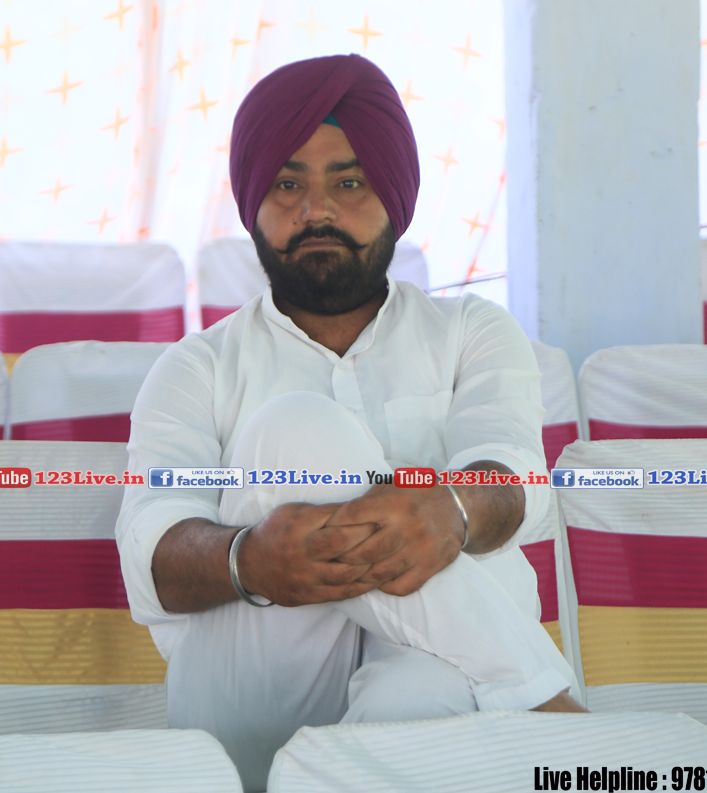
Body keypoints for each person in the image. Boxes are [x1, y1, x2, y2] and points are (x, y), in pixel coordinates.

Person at [115, 53, 583, 792]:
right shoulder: (195, 367)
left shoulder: (472, 332)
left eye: (349, 182)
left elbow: (515, 473)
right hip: (257, 684)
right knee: (297, 433)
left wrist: (450, 512)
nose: (317, 210)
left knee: (420, 690)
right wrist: (248, 558)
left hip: (437, 682)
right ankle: (553, 710)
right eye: (288, 184)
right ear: (254, 203)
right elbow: (152, 546)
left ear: (392, 197)